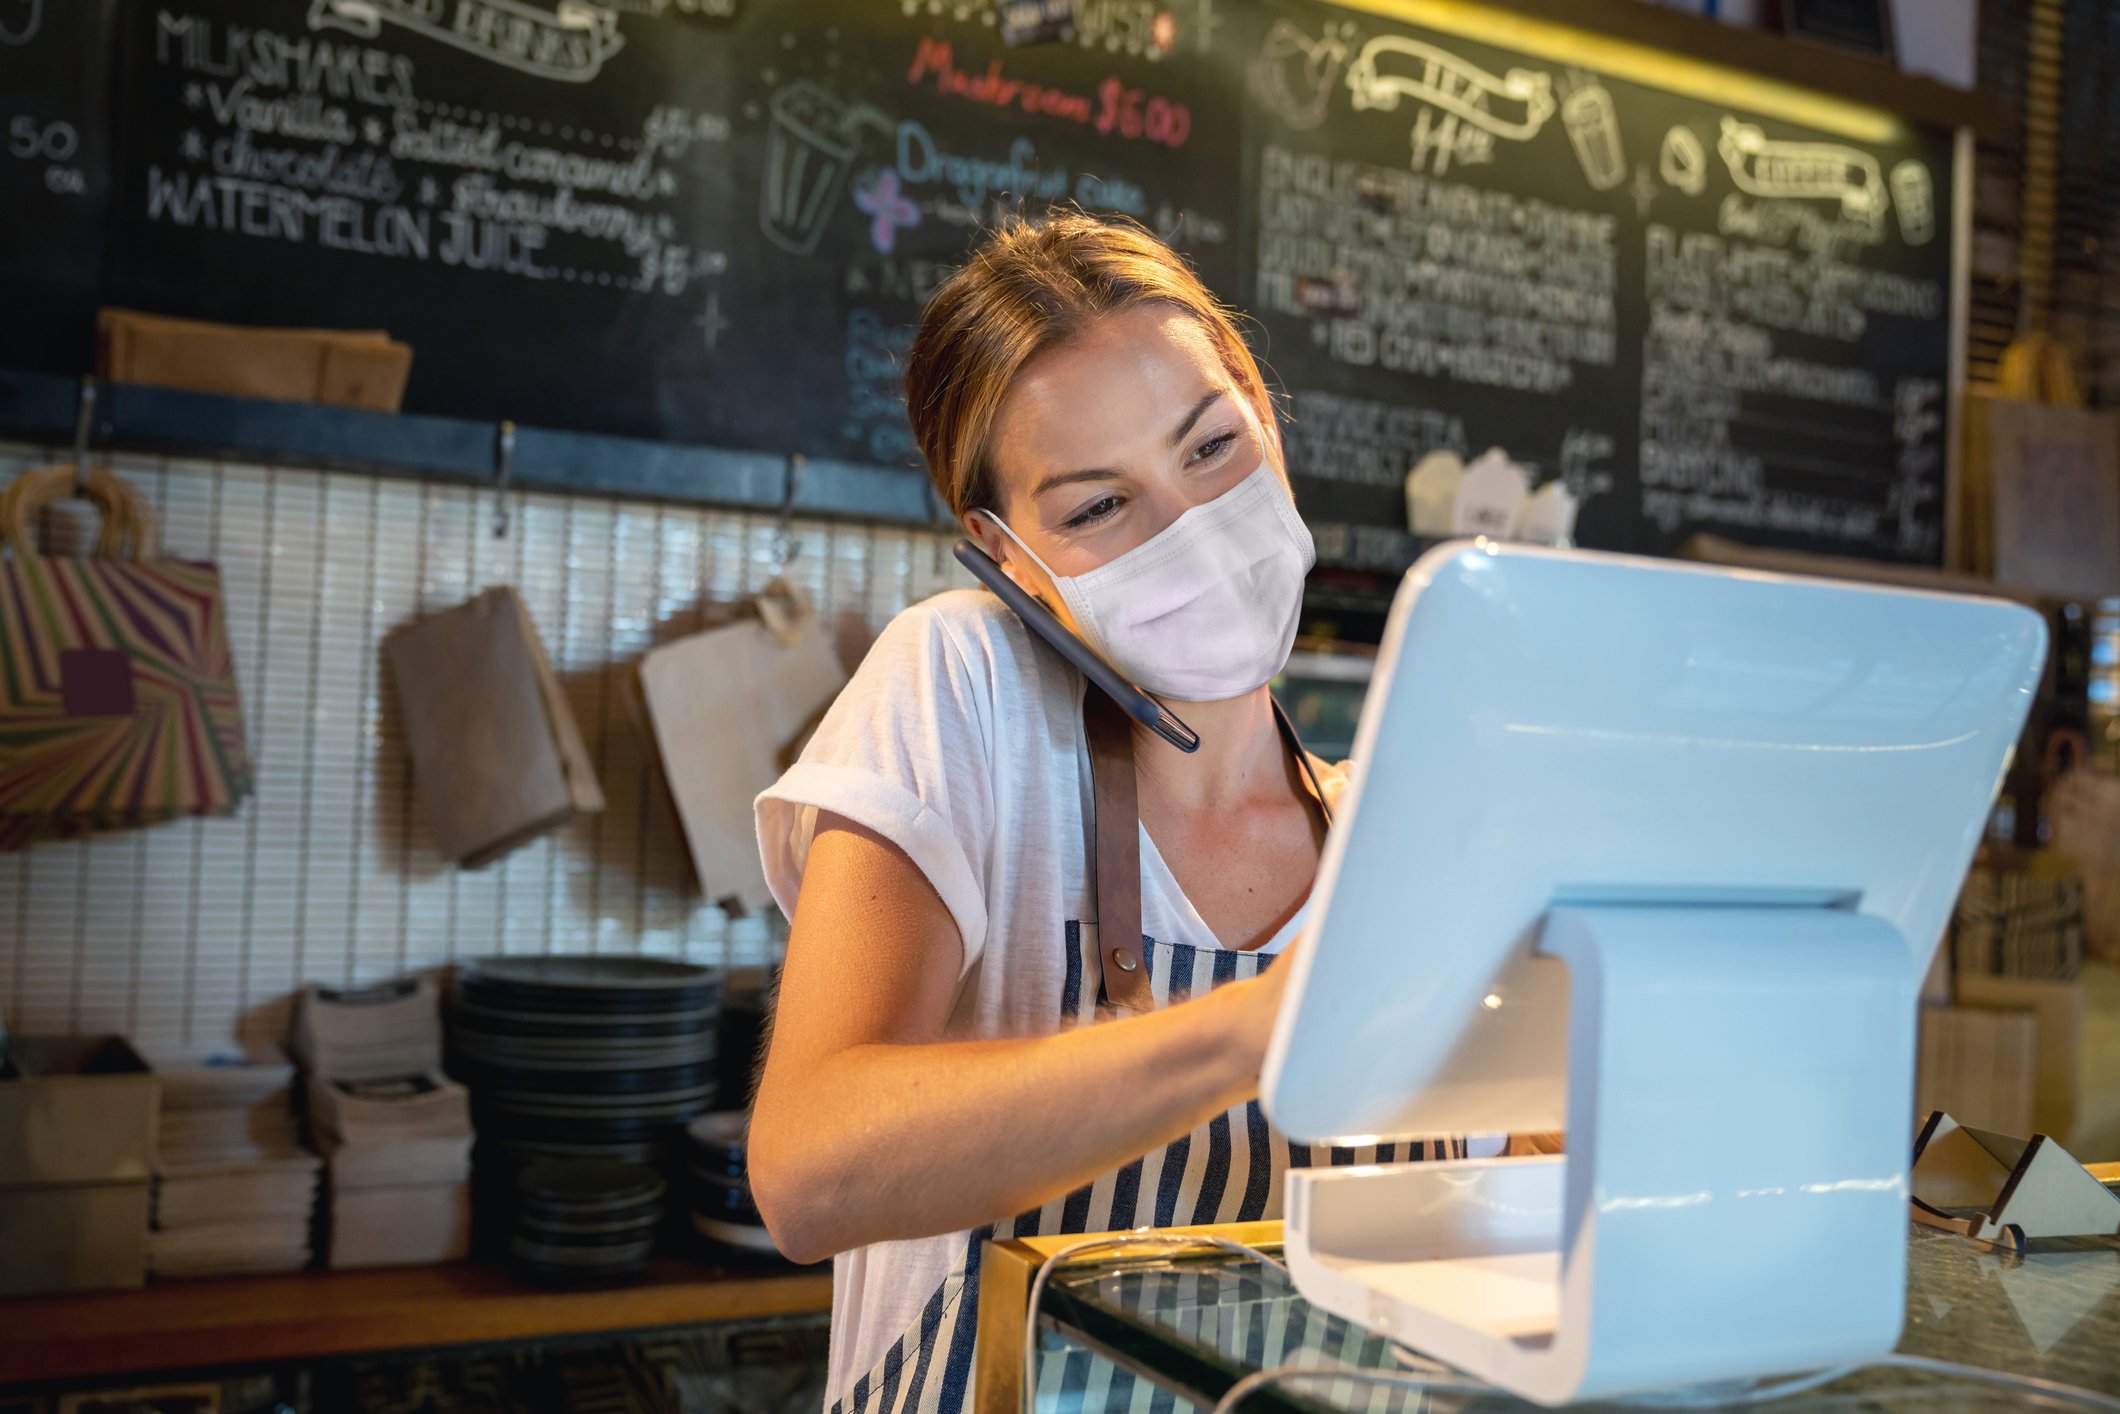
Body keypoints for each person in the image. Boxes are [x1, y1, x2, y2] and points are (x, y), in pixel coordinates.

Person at [751, 213, 1463, 1414]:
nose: (1188, 527)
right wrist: (1264, 1025)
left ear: (1265, 417)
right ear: (1006, 554)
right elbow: (808, 1174)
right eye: (1097, 508)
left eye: (1209, 447)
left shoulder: (1407, 838)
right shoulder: (963, 688)